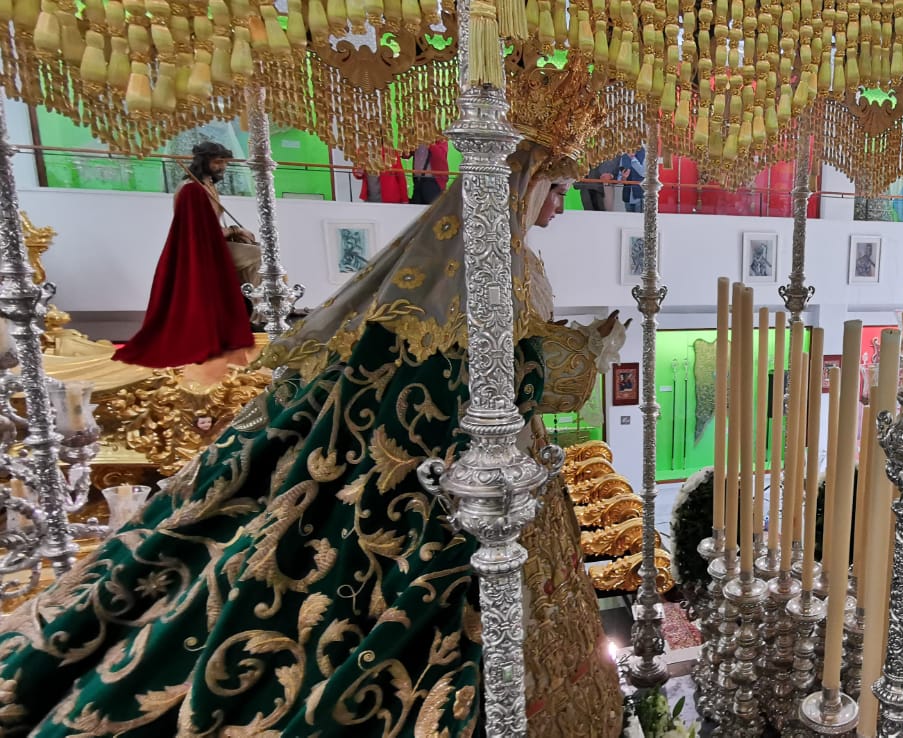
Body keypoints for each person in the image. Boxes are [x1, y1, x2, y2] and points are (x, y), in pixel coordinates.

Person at [1, 121, 628, 734]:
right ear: (523, 187)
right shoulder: (483, 268)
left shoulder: (511, 262)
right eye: (555, 192)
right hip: (456, 475)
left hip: (511, 470)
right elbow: (469, 379)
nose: (561, 209)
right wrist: (585, 356)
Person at [113, 141, 257, 369]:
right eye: (217, 162)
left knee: (257, 254)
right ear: (204, 162)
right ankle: (259, 314)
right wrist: (236, 231)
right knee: (257, 257)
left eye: (224, 163)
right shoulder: (191, 189)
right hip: (203, 252)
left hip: (216, 245)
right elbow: (202, 230)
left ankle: (246, 310)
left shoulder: (207, 184)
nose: (222, 167)